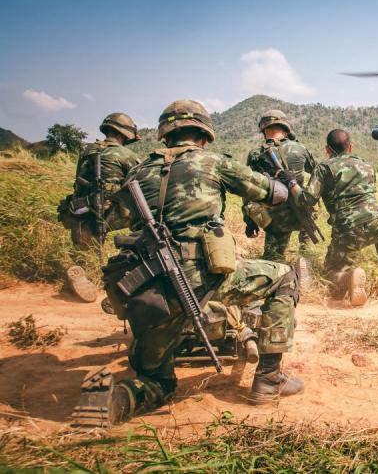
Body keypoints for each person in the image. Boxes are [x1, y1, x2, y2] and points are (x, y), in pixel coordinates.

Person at [72, 100, 304, 429]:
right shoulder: (214, 162)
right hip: (203, 278)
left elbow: (111, 220)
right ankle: (269, 379)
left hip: (149, 288)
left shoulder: (138, 170)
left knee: (155, 381)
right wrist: (283, 181)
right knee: (284, 277)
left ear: (164, 135)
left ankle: (115, 399)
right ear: (205, 136)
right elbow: (274, 194)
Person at [299, 129, 378, 306]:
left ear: (327, 149)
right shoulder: (367, 165)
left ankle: (349, 277)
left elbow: (308, 199)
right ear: (350, 147)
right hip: (377, 224)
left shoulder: (324, 168)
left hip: (349, 229)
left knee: (329, 271)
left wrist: (292, 185)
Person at [58, 112, 141, 302]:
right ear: (125, 134)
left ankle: (82, 270)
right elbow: (138, 186)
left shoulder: (86, 150)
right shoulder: (128, 155)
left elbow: (77, 182)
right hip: (113, 212)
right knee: (144, 222)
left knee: (85, 245)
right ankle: (128, 264)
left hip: (81, 211)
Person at [243, 109, 317, 262]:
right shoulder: (300, 148)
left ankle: (280, 272)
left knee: (273, 259)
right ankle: (305, 260)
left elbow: (248, 190)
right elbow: (317, 173)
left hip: (277, 216)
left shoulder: (256, 154)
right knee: (308, 240)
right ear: (285, 129)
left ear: (265, 130)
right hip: (303, 212)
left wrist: (249, 220)